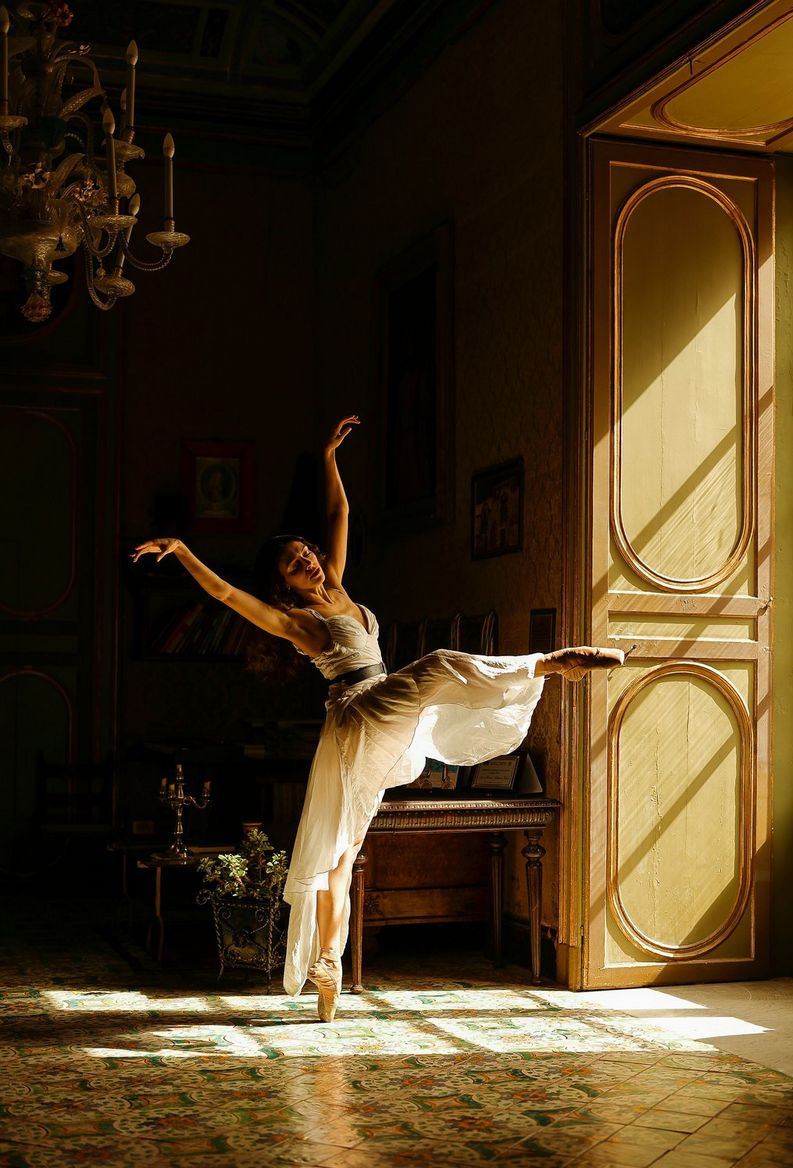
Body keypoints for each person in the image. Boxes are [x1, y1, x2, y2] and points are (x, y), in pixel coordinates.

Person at [133, 416, 624, 1021]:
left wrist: (328, 456)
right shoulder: (297, 623)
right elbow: (229, 597)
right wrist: (183, 551)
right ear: (283, 586)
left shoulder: (338, 585)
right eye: (295, 564)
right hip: (359, 711)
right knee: (438, 665)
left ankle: (327, 969)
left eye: (306, 553)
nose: (309, 562)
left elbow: (339, 512)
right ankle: (551, 663)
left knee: (342, 856)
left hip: (383, 721)